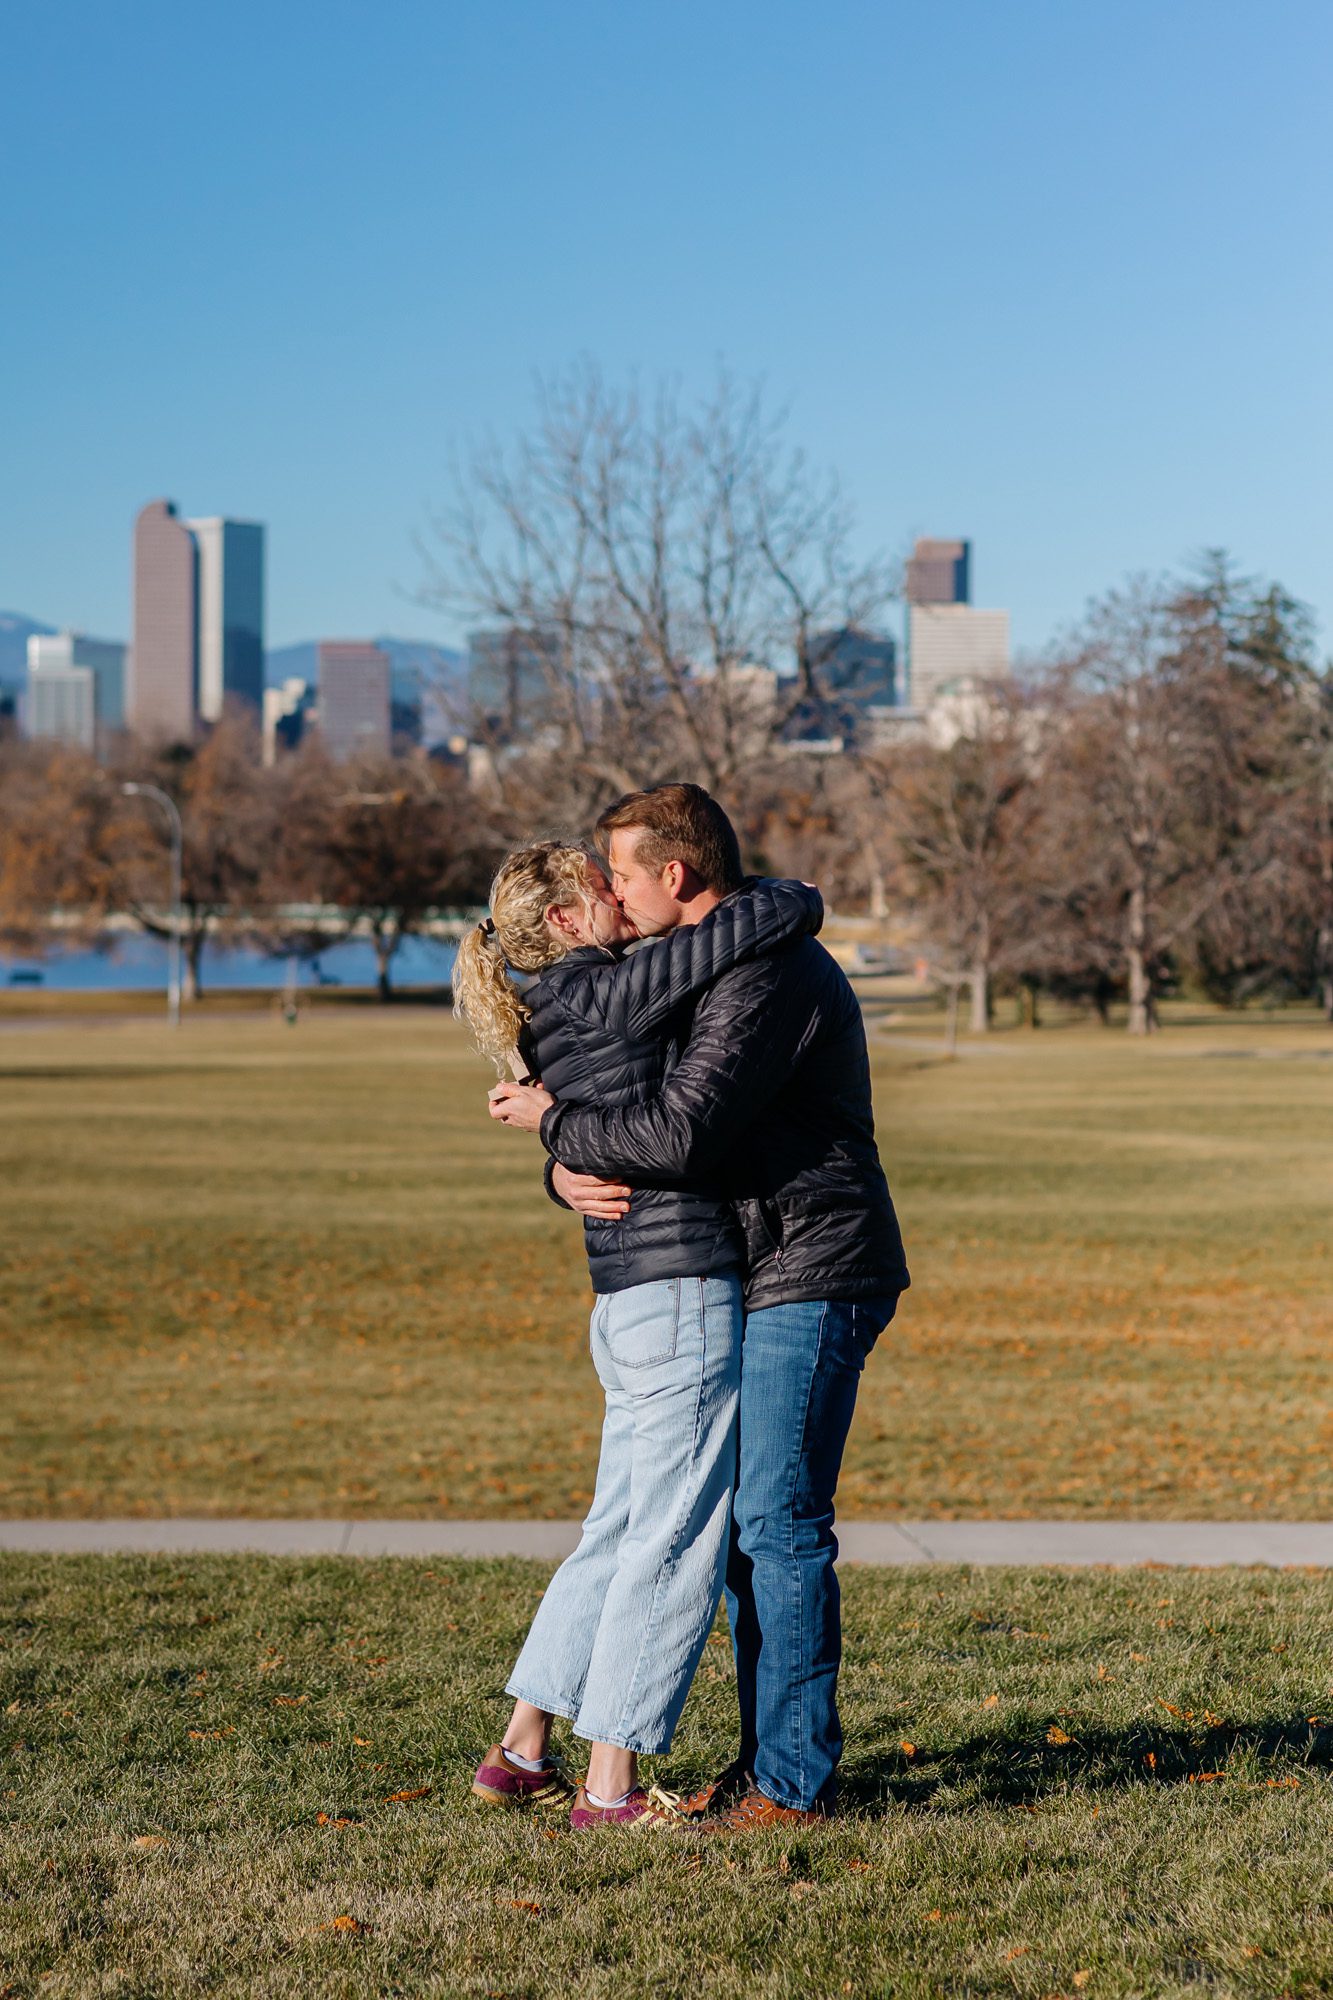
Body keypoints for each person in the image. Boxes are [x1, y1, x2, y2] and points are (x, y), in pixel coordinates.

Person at [490, 784, 909, 1827]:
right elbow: (620, 1090)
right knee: (735, 1531)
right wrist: (558, 1160)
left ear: (673, 875)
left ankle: (790, 1784)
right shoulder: (708, 957)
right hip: (751, 1261)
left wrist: (552, 1124)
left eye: (622, 874)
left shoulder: (762, 969)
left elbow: (676, 1134)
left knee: (775, 1522)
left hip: (810, 1260)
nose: (615, 896)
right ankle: (766, 1764)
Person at [454, 838, 823, 1828]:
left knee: (617, 1527)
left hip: (623, 1301)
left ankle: (524, 1745)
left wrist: (550, 1140)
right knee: (670, 1538)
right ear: (569, 921)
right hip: (678, 1293)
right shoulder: (615, 986)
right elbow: (764, 917)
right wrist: (797, 885)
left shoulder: (555, 1011)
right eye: (600, 884)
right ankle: (608, 1786)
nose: (621, 892)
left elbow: (578, 1124)